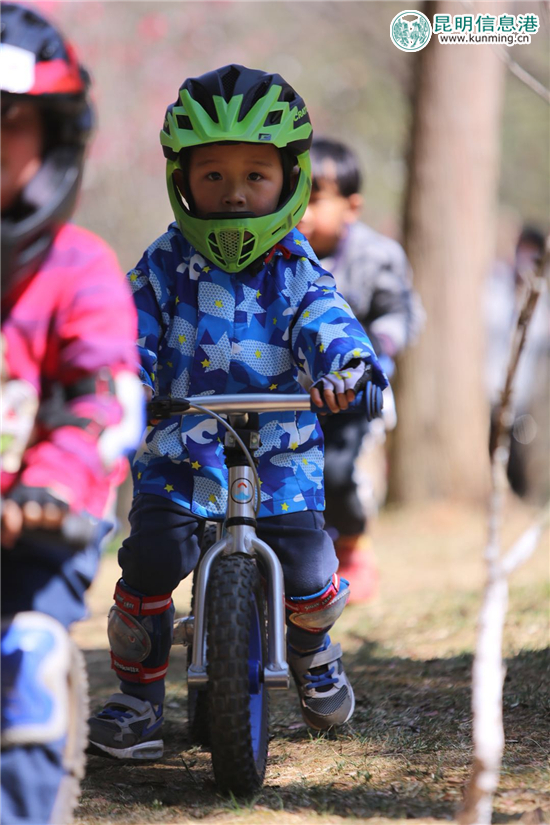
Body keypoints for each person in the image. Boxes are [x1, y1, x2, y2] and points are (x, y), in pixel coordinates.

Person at [87, 64, 388, 760]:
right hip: (181, 450)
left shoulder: (297, 268)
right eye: (213, 175)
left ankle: (311, 649)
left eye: (255, 174)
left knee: (310, 570)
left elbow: (328, 321)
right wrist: (123, 381)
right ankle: (138, 698)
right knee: (149, 562)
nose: (233, 192)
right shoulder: (164, 264)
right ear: (182, 180)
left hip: (280, 455)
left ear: (290, 179)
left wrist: (347, 369)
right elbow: (126, 330)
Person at [0, 4, 142, 823]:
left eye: (5, 120)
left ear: (54, 138)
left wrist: (51, 481)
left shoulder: (79, 268)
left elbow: (106, 398)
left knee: (25, 655)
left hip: (39, 523)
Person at [298, 137, 423, 601]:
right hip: (293, 394)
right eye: (294, 196)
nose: (302, 211)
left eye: (315, 198)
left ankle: (353, 547)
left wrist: (379, 347)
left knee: (337, 473)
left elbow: (401, 311)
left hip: (354, 391)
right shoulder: (280, 255)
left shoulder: (375, 256)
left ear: (351, 207)